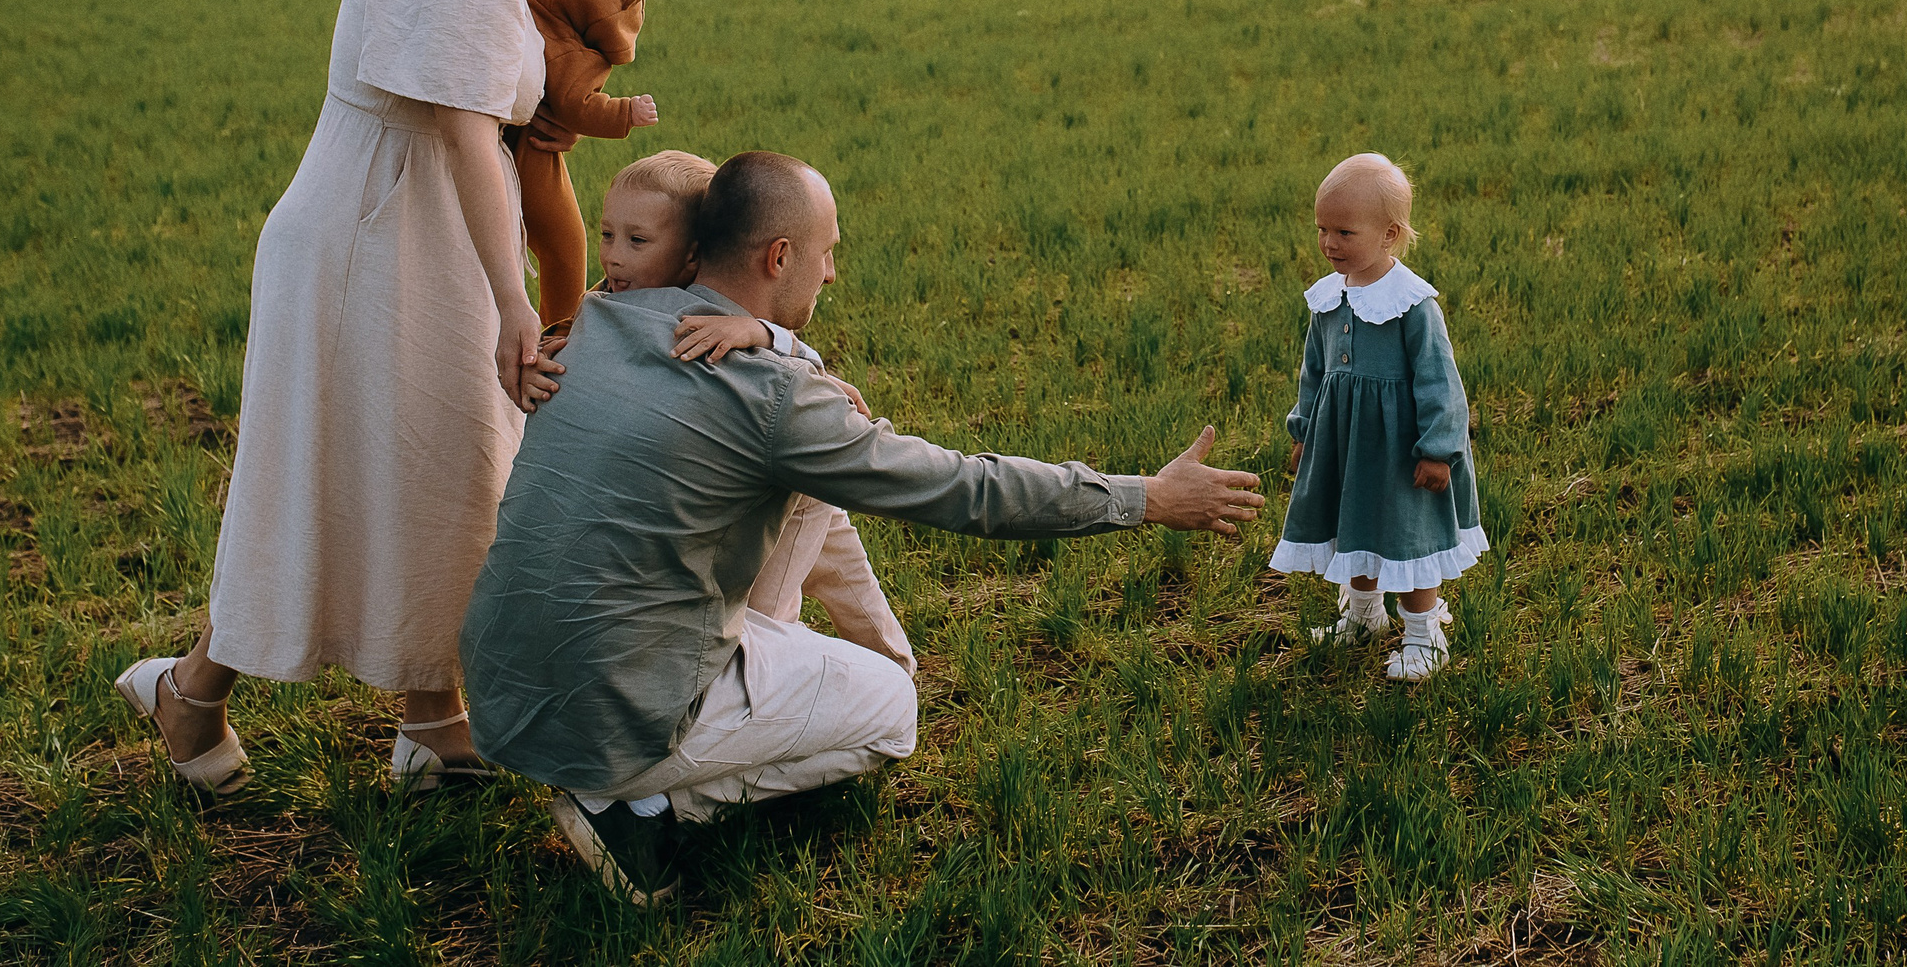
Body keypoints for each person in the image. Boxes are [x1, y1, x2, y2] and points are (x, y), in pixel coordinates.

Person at [460, 151, 1264, 904]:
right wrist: (1147, 497)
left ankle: (691, 729)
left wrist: (787, 349)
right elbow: (962, 489)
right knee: (892, 710)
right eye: (826, 251)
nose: (834, 269)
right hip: (612, 706)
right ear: (778, 258)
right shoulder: (771, 397)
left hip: (501, 683)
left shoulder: (599, 319)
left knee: (798, 513)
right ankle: (637, 803)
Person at [114, 0, 620, 797]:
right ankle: (191, 693)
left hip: (405, 230)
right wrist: (511, 305)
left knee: (440, 473)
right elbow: (461, 140)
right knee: (337, 479)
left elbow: (494, 125)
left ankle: (431, 721)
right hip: (373, 240)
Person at [550, 147, 916, 675]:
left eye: (637, 240)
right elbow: (571, 332)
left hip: (743, 467)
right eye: (607, 234)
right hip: (694, 493)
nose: (614, 258)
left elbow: (776, 379)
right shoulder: (609, 303)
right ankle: (772, 654)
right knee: (813, 515)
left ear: (695, 253)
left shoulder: (713, 308)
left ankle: (885, 665)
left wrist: (764, 333)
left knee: (825, 526)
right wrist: (541, 354)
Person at [1269, 153, 1487, 682]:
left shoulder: (1412, 306)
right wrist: (1304, 432)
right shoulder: (1327, 299)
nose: (1329, 244)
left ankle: (1422, 633)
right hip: (1344, 444)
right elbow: (1314, 371)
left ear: (1389, 234)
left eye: (1345, 231)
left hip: (1400, 451)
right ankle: (1363, 615)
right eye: (1322, 229)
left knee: (1407, 537)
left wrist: (1439, 450)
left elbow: (1441, 382)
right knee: (1354, 527)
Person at [513, 0, 659, 335]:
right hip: (530, 158)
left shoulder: (525, 12)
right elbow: (578, 105)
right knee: (566, 245)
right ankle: (559, 327)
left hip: (511, 143)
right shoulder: (569, 52)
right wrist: (627, 112)